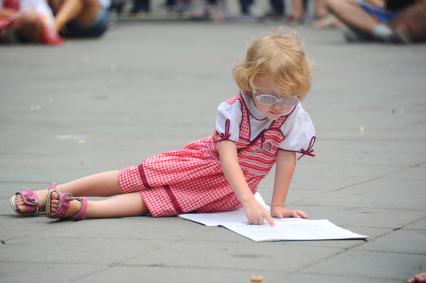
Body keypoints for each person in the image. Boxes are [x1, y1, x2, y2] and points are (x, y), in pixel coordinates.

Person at [9, 30, 315, 225]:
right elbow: (227, 156)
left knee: (151, 202)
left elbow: (287, 158)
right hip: (199, 165)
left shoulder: (294, 117)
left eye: (288, 99)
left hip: (222, 191)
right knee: (131, 178)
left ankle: (78, 208)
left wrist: (277, 205)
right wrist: (249, 200)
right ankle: (51, 192)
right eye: (268, 97)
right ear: (249, 83)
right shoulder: (233, 110)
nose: (277, 106)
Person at [324, 0, 418, 42]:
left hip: (409, 14)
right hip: (381, 13)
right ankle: (386, 33)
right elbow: (379, 4)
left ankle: (367, 31)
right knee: (332, 2)